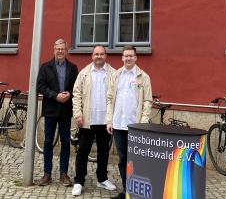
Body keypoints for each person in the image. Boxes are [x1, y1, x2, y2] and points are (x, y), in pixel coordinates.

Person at [106, 45, 152, 199]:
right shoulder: (116, 75)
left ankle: (137, 191)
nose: (128, 58)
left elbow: (147, 101)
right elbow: (110, 99)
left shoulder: (143, 77)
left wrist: (143, 123)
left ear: (136, 57)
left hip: (135, 126)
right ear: (122, 57)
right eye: (125, 56)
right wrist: (109, 120)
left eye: (131, 56)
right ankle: (127, 190)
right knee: (123, 159)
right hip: (118, 124)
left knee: (136, 160)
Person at [71, 45, 116, 197]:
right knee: (83, 151)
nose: (99, 56)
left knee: (104, 151)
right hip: (87, 120)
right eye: (96, 54)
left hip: (105, 120)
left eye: (101, 54)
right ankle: (79, 181)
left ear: (105, 56)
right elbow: (76, 94)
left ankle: (102, 178)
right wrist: (78, 114)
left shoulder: (113, 74)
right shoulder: (84, 73)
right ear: (92, 56)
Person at [37, 39, 78, 186]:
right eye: (58, 49)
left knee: (66, 142)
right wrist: (55, 95)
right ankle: (47, 174)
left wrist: (69, 94)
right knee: (48, 141)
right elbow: (40, 86)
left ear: (66, 50)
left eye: (62, 49)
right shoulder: (45, 67)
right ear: (54, 50)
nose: (60, 51)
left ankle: (63, 174)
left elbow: (76, 87)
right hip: (50, 110)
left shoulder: (73, 68)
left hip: (66, 110)